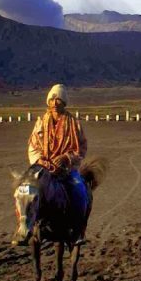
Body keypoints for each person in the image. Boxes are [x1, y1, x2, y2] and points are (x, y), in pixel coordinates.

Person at [28, 84, 90, 213]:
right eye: (51, 100)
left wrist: (66, 158)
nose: (54, 104)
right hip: (44, 167)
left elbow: (82, 146)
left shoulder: (74, 124)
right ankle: (27, 225)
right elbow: (33, 146)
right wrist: (39, 160)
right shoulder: (40, 123)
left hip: (67, 169)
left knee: (79, 190)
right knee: (26, 191)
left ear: (64, 103)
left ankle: (78, 227)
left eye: (58, 100)